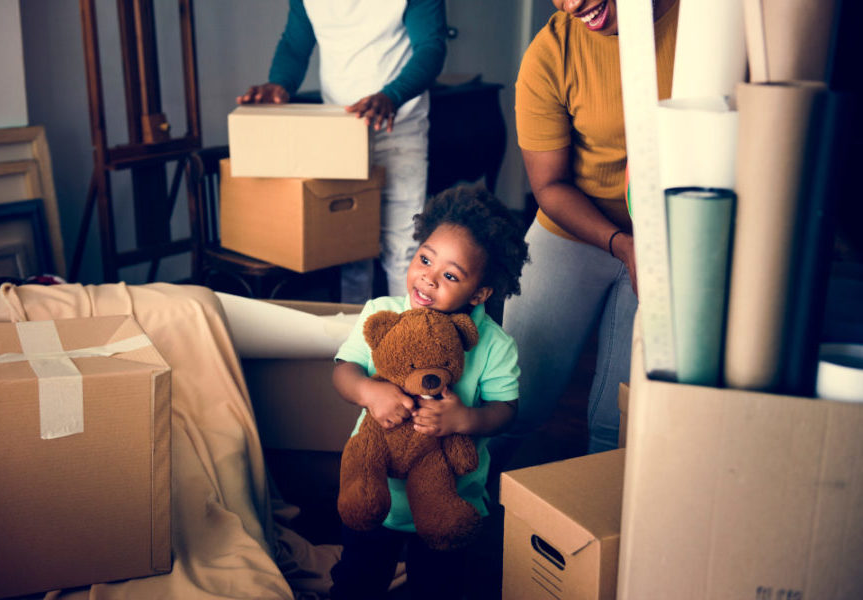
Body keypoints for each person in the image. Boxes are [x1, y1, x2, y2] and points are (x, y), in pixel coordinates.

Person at [488, 0, 680, 473]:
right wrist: (622, 244)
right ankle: (463, 516)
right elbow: (549, 186)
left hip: (675, 238)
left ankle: (600, 535)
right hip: (574, 228)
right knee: (514, 400)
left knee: (621, 425)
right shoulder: (552, 52)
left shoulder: (708, 26)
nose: (571, 4)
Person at [329, 185, 529, 600]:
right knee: (357, 580)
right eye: (425, 259)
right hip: (374, 490)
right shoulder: (382, 313)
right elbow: (342, 372)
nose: (428, 278)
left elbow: (506, 410)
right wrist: (370, 391)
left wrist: (466, 420)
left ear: (478, 294)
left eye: (450, 276)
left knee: (438, 587)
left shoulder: (494, 344)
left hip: (450, 501)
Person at [237, 0, 448, 305]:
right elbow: (295, 45)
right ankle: (355, 342)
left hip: (399, 128)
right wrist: (280, 83)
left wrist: (392, 95)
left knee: (403, 248)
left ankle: (406, 343)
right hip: (341, 133)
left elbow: (431, 47)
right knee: (350, 249)